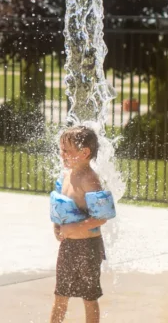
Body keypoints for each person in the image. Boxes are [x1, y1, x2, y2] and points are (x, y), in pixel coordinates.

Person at [50, 126, 112, 323]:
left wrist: (72, 229)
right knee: (60, 295)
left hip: (88, 248)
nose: (62, 154)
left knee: (89, 298)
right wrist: (57, 225)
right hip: (68, 246)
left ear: (84, 153)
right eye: (61, 149)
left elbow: (101, 217)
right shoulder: (66, 176)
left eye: (67, 150)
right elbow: (61, 206)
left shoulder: (90, 180)